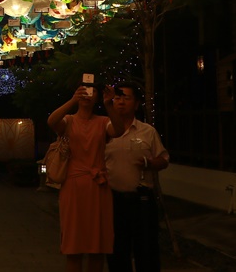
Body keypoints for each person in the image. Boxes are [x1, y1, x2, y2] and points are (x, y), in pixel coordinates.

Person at [47, 80, 125, 272]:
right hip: (73, 186)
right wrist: (73, 100)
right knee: (73, 246)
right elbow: (51, 121)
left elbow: (119, 130)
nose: (87, 95)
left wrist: (109, 105)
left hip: (98, 186)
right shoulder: (69, 120)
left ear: (98, 97)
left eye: (92, 92)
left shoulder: (102, 121)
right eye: (84, 91)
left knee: (97, 247)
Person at [105, 84, 170, 272]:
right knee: (117, 252)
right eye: (117, 98)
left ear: (136, 104)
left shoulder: (147, 131)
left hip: (142, 200)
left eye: (126, 98)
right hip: (113, 201)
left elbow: (164, 159)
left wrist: (150, 163)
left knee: (147, 251)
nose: (121, 102)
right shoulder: (105, 130)